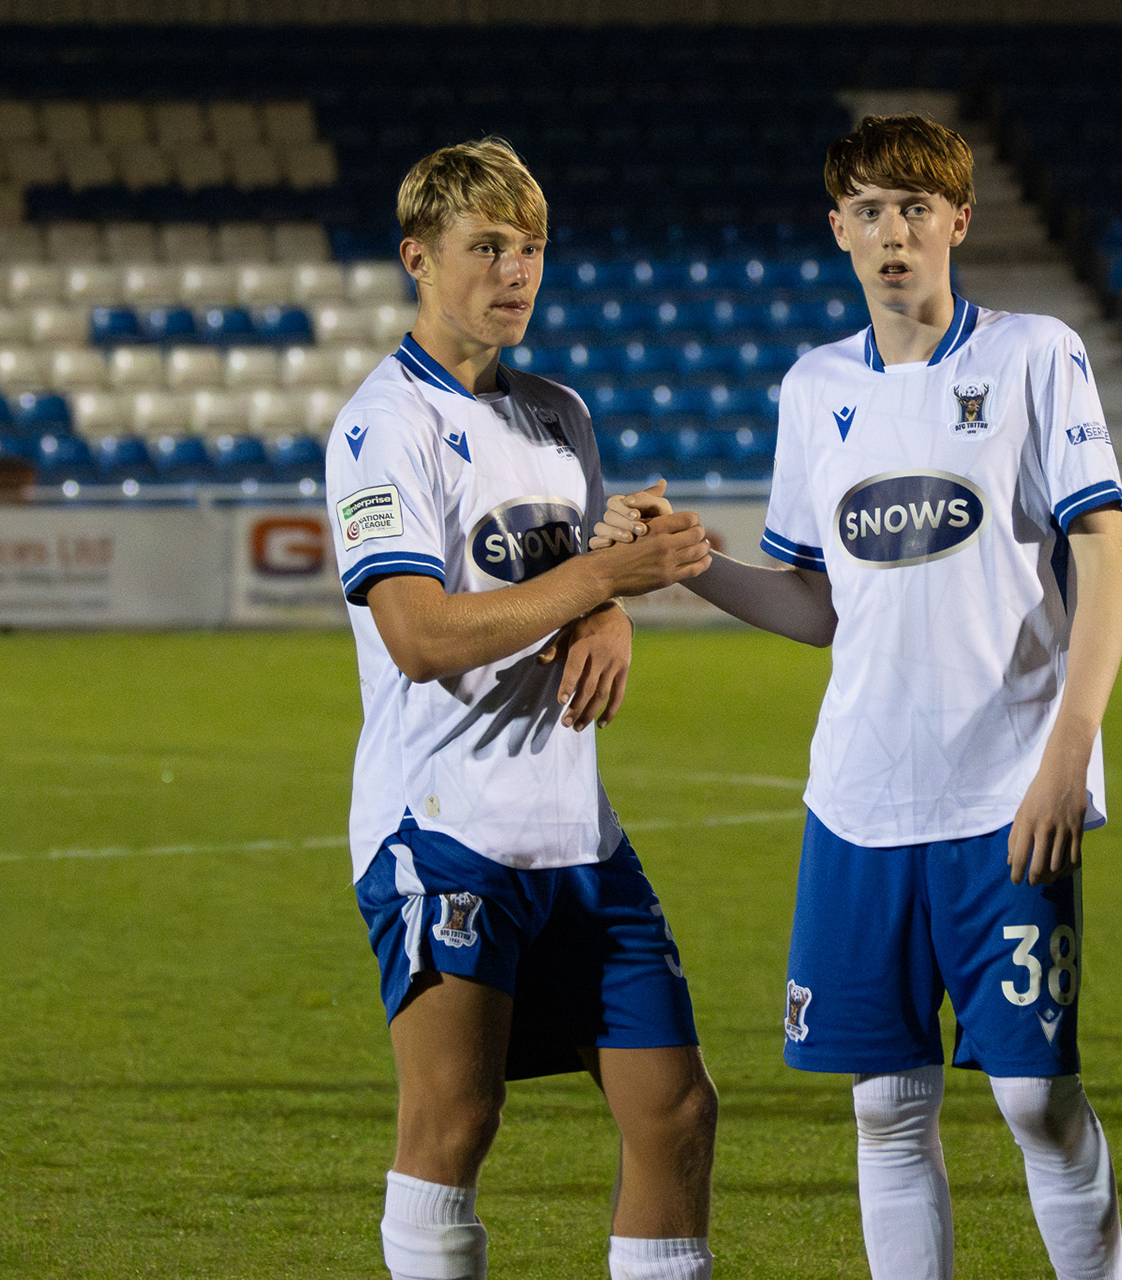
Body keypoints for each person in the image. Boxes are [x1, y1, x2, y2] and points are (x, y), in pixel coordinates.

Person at [593, 114, 1122, 1279]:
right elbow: (818, 603)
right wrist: (695, 563)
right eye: (873, 212)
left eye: (918, 208)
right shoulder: (813, 387)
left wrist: (1068, 755)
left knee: (1037, 1099)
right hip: (859, 803)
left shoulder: (1037, 355)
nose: (897, 233)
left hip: (1007, 795)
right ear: (838, 231)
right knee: (887, 1105)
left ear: (959, 220)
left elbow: (1110, 556)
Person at [324, 137, 720, 1280]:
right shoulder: (382, 425)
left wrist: (612, 605)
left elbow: (587, 565)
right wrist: (600, 584)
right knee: (455, 1122)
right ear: (417, 256)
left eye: (532, 248)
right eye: (486, 246)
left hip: (577, 829)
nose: (516, 270)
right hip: (444, 825)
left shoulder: (560, 413)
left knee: (678, 1111)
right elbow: (418, 634)